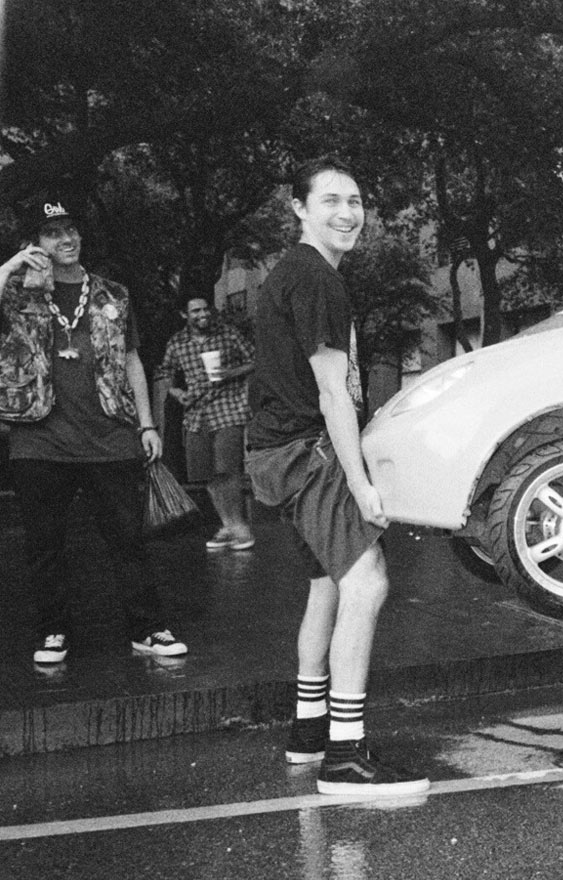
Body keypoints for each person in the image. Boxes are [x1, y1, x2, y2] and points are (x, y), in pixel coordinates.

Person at [245, 158, 428, 796]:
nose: (347, 214)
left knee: (327, 584)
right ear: (299, 208)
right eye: (330, 201)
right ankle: (347, 757)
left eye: (355, 201)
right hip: (303, 449)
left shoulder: (298, 275)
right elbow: (332, 392)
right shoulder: (315, 277)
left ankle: (309, 730)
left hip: (275, 450)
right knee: (368, 582)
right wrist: (361, 484)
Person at [0, 197, 187, 664]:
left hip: (110, 434)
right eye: (52, 232)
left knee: (129, 540)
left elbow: (131, 359)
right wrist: (12, 265)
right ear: (34, 243)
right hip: (38, 438)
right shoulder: (17, 293)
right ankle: (52, 632)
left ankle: (149, 629)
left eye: (71, 228)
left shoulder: (113, 294)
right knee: (46, 546)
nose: (66, 238)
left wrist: (147, 423)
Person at [153, 296, 257, 550]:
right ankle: (227, 525)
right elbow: (164, 372)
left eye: (205, 309)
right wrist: (177, 393)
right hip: (196, 415)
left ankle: (240, 527)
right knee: (207, 474)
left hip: (228, 407)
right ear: (184, 315)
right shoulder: (178, 343)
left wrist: (231, 373)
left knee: (227, 469)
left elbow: (256, 359)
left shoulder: (228, 335)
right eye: (195, 310)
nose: (203, 314)